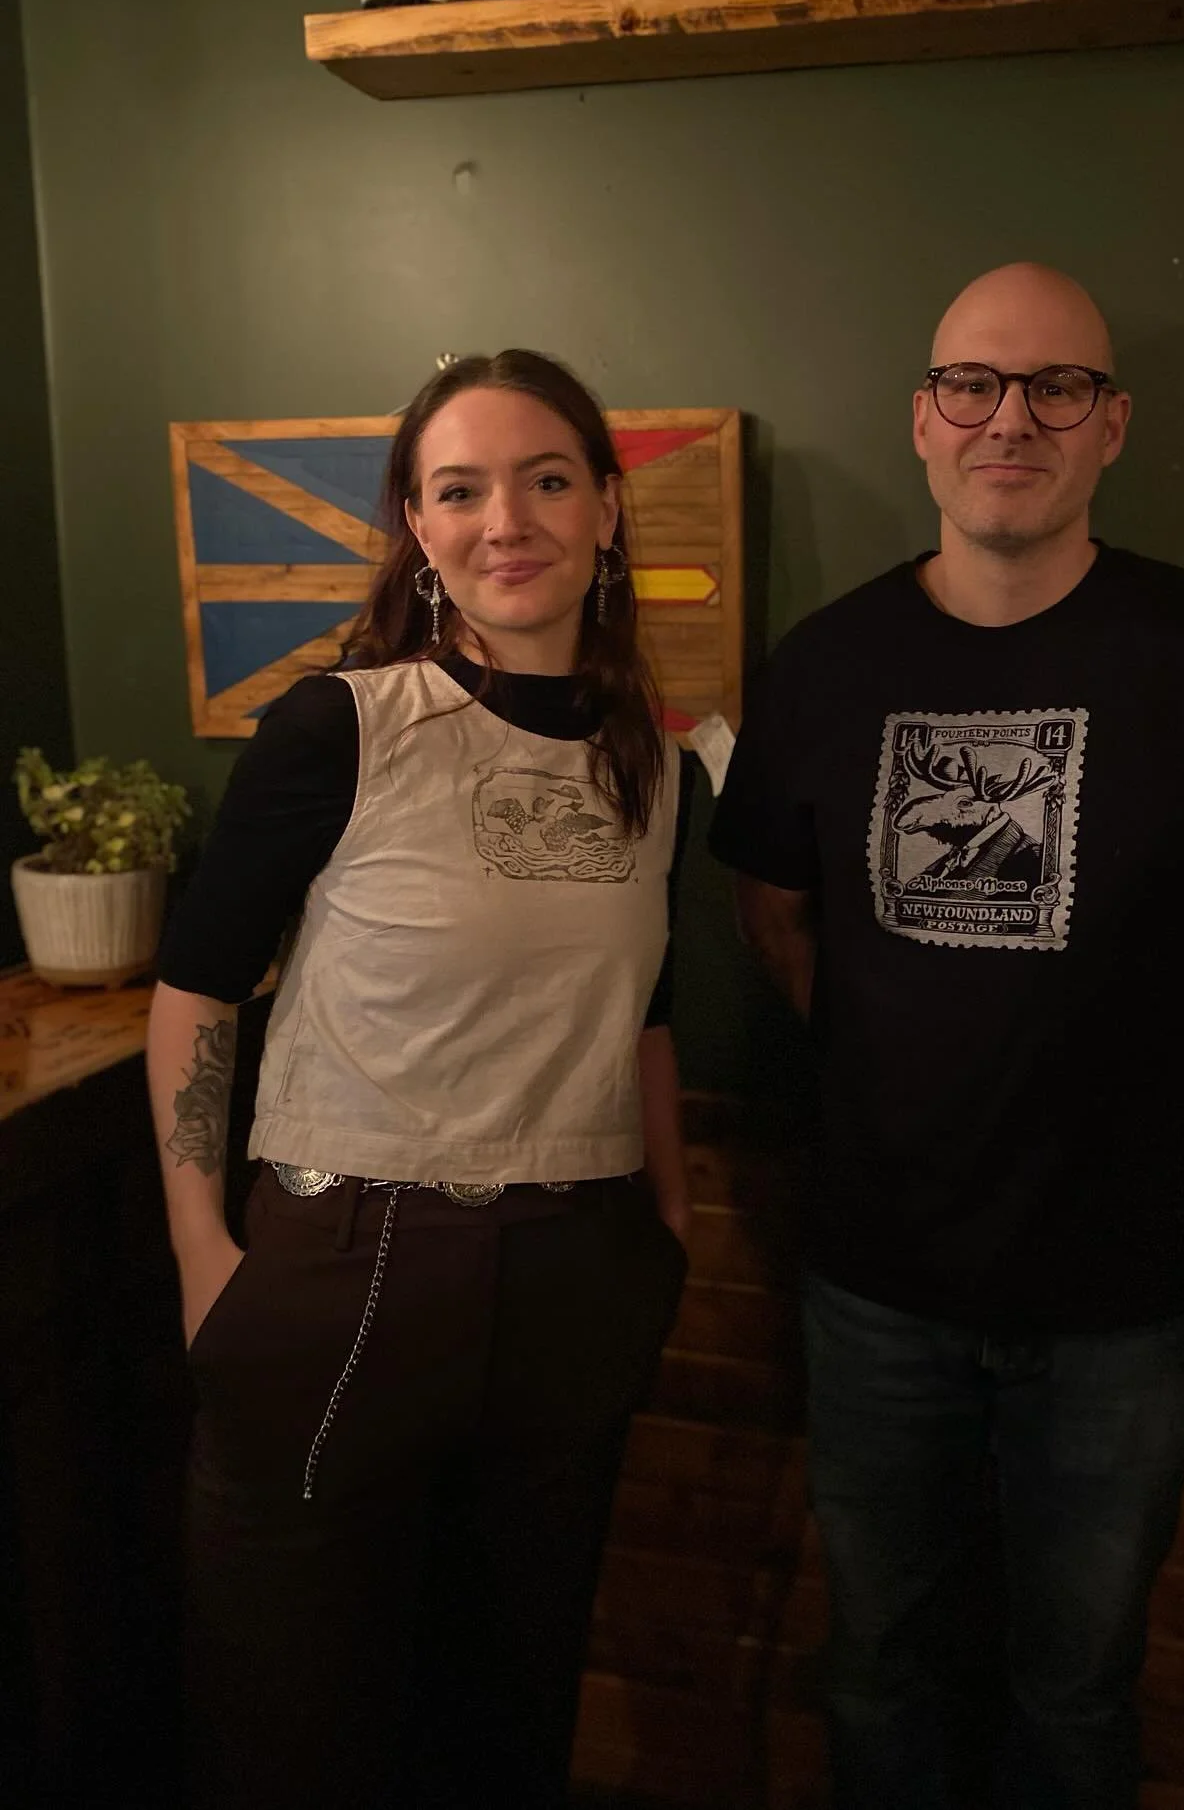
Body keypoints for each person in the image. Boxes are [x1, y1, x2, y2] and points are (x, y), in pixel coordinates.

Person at [708, 264, 1184, 1810]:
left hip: (1118, 1305)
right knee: (882, 1671)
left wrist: (1152, 1091)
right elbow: (773, 923)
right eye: (974, 384)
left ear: (1112, 424)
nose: (1010, 418)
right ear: (923, 419)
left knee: (1075, 1692)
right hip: (874, 1289)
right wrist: (904, 1074)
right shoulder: (825, 664)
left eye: (1056, 386)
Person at [146, 350, 691, 1810]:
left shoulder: (658, 766)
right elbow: (196, 988)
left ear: (607, 510)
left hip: (578, 1269)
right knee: (289, 1724)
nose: (506, 519)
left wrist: (666, 1227)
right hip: (346, 1262)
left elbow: (646, 1016)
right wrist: (203, 1253)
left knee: (507, 1719)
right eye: (461, 489)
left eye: (547, 479)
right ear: (417, 525)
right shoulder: (342, 726)